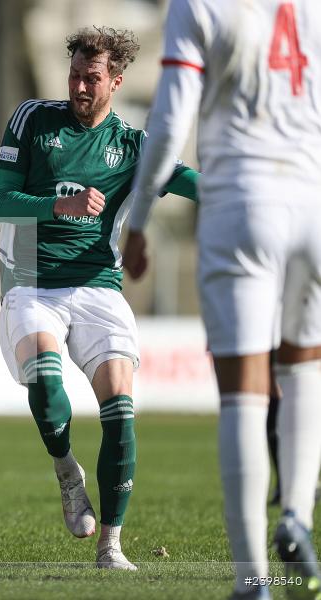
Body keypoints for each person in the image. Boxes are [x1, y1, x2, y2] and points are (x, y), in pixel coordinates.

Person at [124, 1, 321, 598]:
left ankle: (252, 578)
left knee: (243, 390)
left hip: (241, 198)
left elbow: (169, 119)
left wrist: (138, 219)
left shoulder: (201, 3)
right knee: (306, 365)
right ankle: (297, 518)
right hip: (313, 199)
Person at [0, 26, 199, 570]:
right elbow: (1, 201)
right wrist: (57, 206)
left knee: (121, 413)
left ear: (116, 81)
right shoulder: (33, 119)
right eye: (75, 75)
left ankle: (112, 545)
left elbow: (184, 180)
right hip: (32, 283)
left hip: (98, 288)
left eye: (93, 78)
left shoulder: (133, 145)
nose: (80, 87)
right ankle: (66, 470)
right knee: (47, 388)